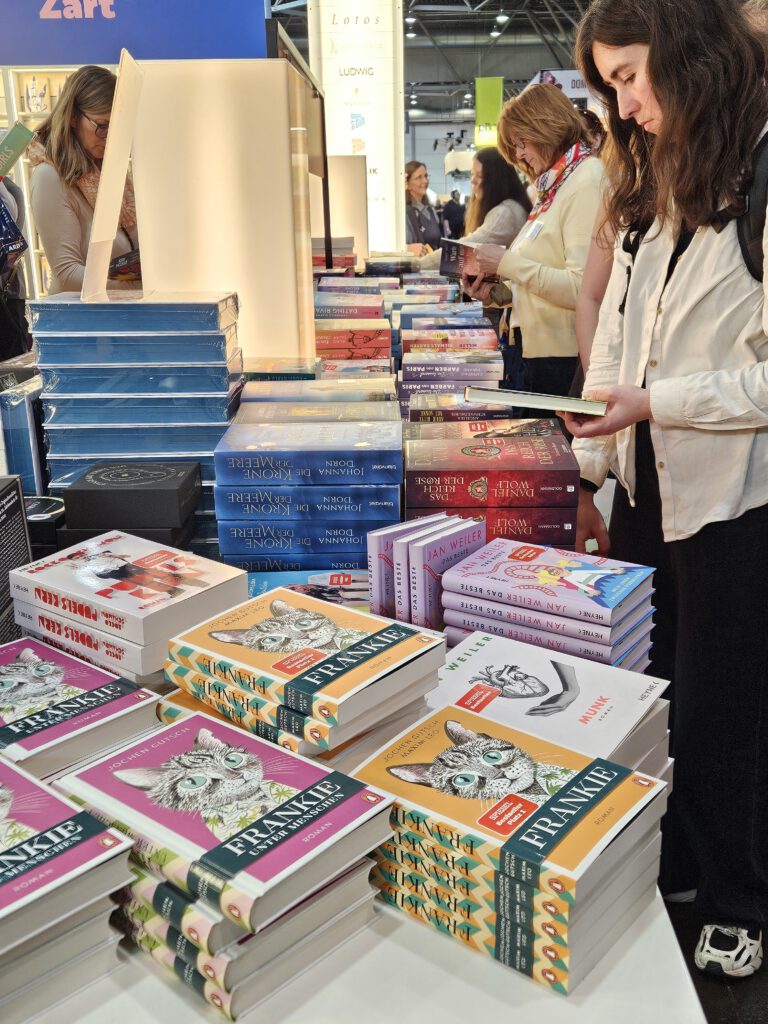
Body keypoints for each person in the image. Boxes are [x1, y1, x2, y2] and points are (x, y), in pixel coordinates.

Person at [564, 0, 768, 979]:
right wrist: (592, 461)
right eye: (609, 86)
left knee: (728, 710)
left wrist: (659, 402)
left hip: (734, 502)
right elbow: (618, 329)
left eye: (631, 77)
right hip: (647, 486)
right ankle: (679, 861)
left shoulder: (759, 179)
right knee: (660, 695)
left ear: (688, 57)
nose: (625, 105)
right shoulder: (656, 178)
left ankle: (740, 898)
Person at [465, 84, 604, 410]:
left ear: (546, 126)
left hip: (563, 361)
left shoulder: (586, 181)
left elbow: (582, 289)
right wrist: (496, 293)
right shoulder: (556, 185)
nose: (519, 155)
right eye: (513, 147)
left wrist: (505, 263)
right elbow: (542, 280)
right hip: (535, 355)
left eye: (521, 142)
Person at [29, 65, 138, 295]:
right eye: (102, 126)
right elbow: (67, 274)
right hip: (86, 315)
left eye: (117, 127)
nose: (110, 137)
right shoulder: (49, 177)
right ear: (73, 118)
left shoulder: (105, 172)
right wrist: (134, 287)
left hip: (116, 311)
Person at [420, 147, 531, 270]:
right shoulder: (506, 208)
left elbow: (465, 248)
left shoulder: (506, 212)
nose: (472, 181)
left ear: (497, 179)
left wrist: (418, 265)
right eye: (472, 174)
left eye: (480, 175)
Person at [404, 161, 441, 256]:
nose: (425, 181)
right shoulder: (406, 213)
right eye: (418, 177)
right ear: (407, 184)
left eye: (426, 176)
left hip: (434, 263)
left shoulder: (431, 211)